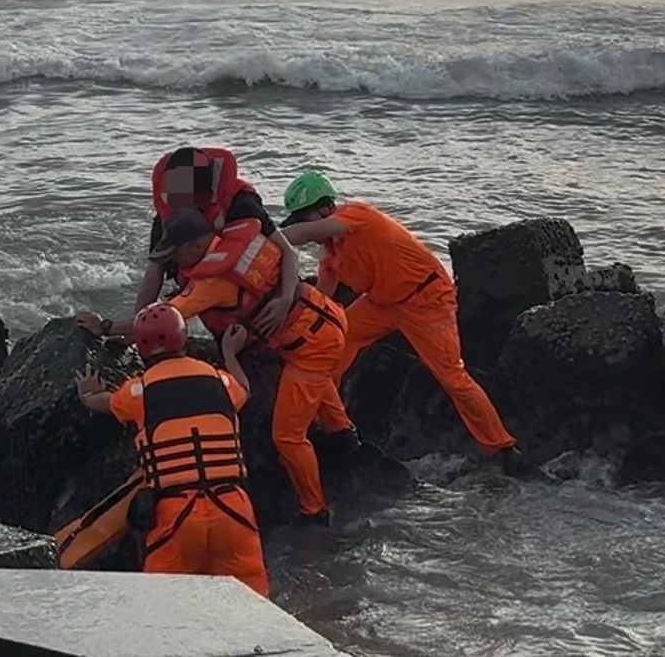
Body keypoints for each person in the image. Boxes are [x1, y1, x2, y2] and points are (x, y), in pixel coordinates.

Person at [79, 208, 358, 525]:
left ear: (196, 245)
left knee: (288, 436)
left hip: (309, 345)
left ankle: (314, 509)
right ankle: (344, 436)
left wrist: (105, 326)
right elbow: (287, 254)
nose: (173, 261)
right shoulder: (241, 241)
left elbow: (164, 318)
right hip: (326, 318)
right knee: (317, 384)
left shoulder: (212, 281)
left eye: (176, 253)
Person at [279, 171, 529, 474]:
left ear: (324, 209)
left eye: (304, 219)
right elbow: (322, 301)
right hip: (381, 303)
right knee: (332, 343)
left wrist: (264, 236)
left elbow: (301, 234)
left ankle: (503, 449)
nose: (307, 230)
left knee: (453, 378)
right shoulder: (330, 254)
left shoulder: (357, 215)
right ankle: (335, 428)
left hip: (427, 299)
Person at [74, 302, 270, 596]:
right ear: (184, 340)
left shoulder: (139, 390)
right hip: (233, 509)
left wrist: (88, 392)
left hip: (176, 514)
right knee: (255, 607)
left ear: (141, 349)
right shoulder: (219, 379)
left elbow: (101, 402)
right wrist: (229, 353)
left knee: (165, 609)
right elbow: (243, 389)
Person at [135, 146, 302, 338]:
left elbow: (289, 252)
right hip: (210, 290)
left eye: (188, 201)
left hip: (262, 292)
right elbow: (152, 276)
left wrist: (286, 299)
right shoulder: (170, 215)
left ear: (207, 193)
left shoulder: (241, 203)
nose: (182, 209)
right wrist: (138, 326)